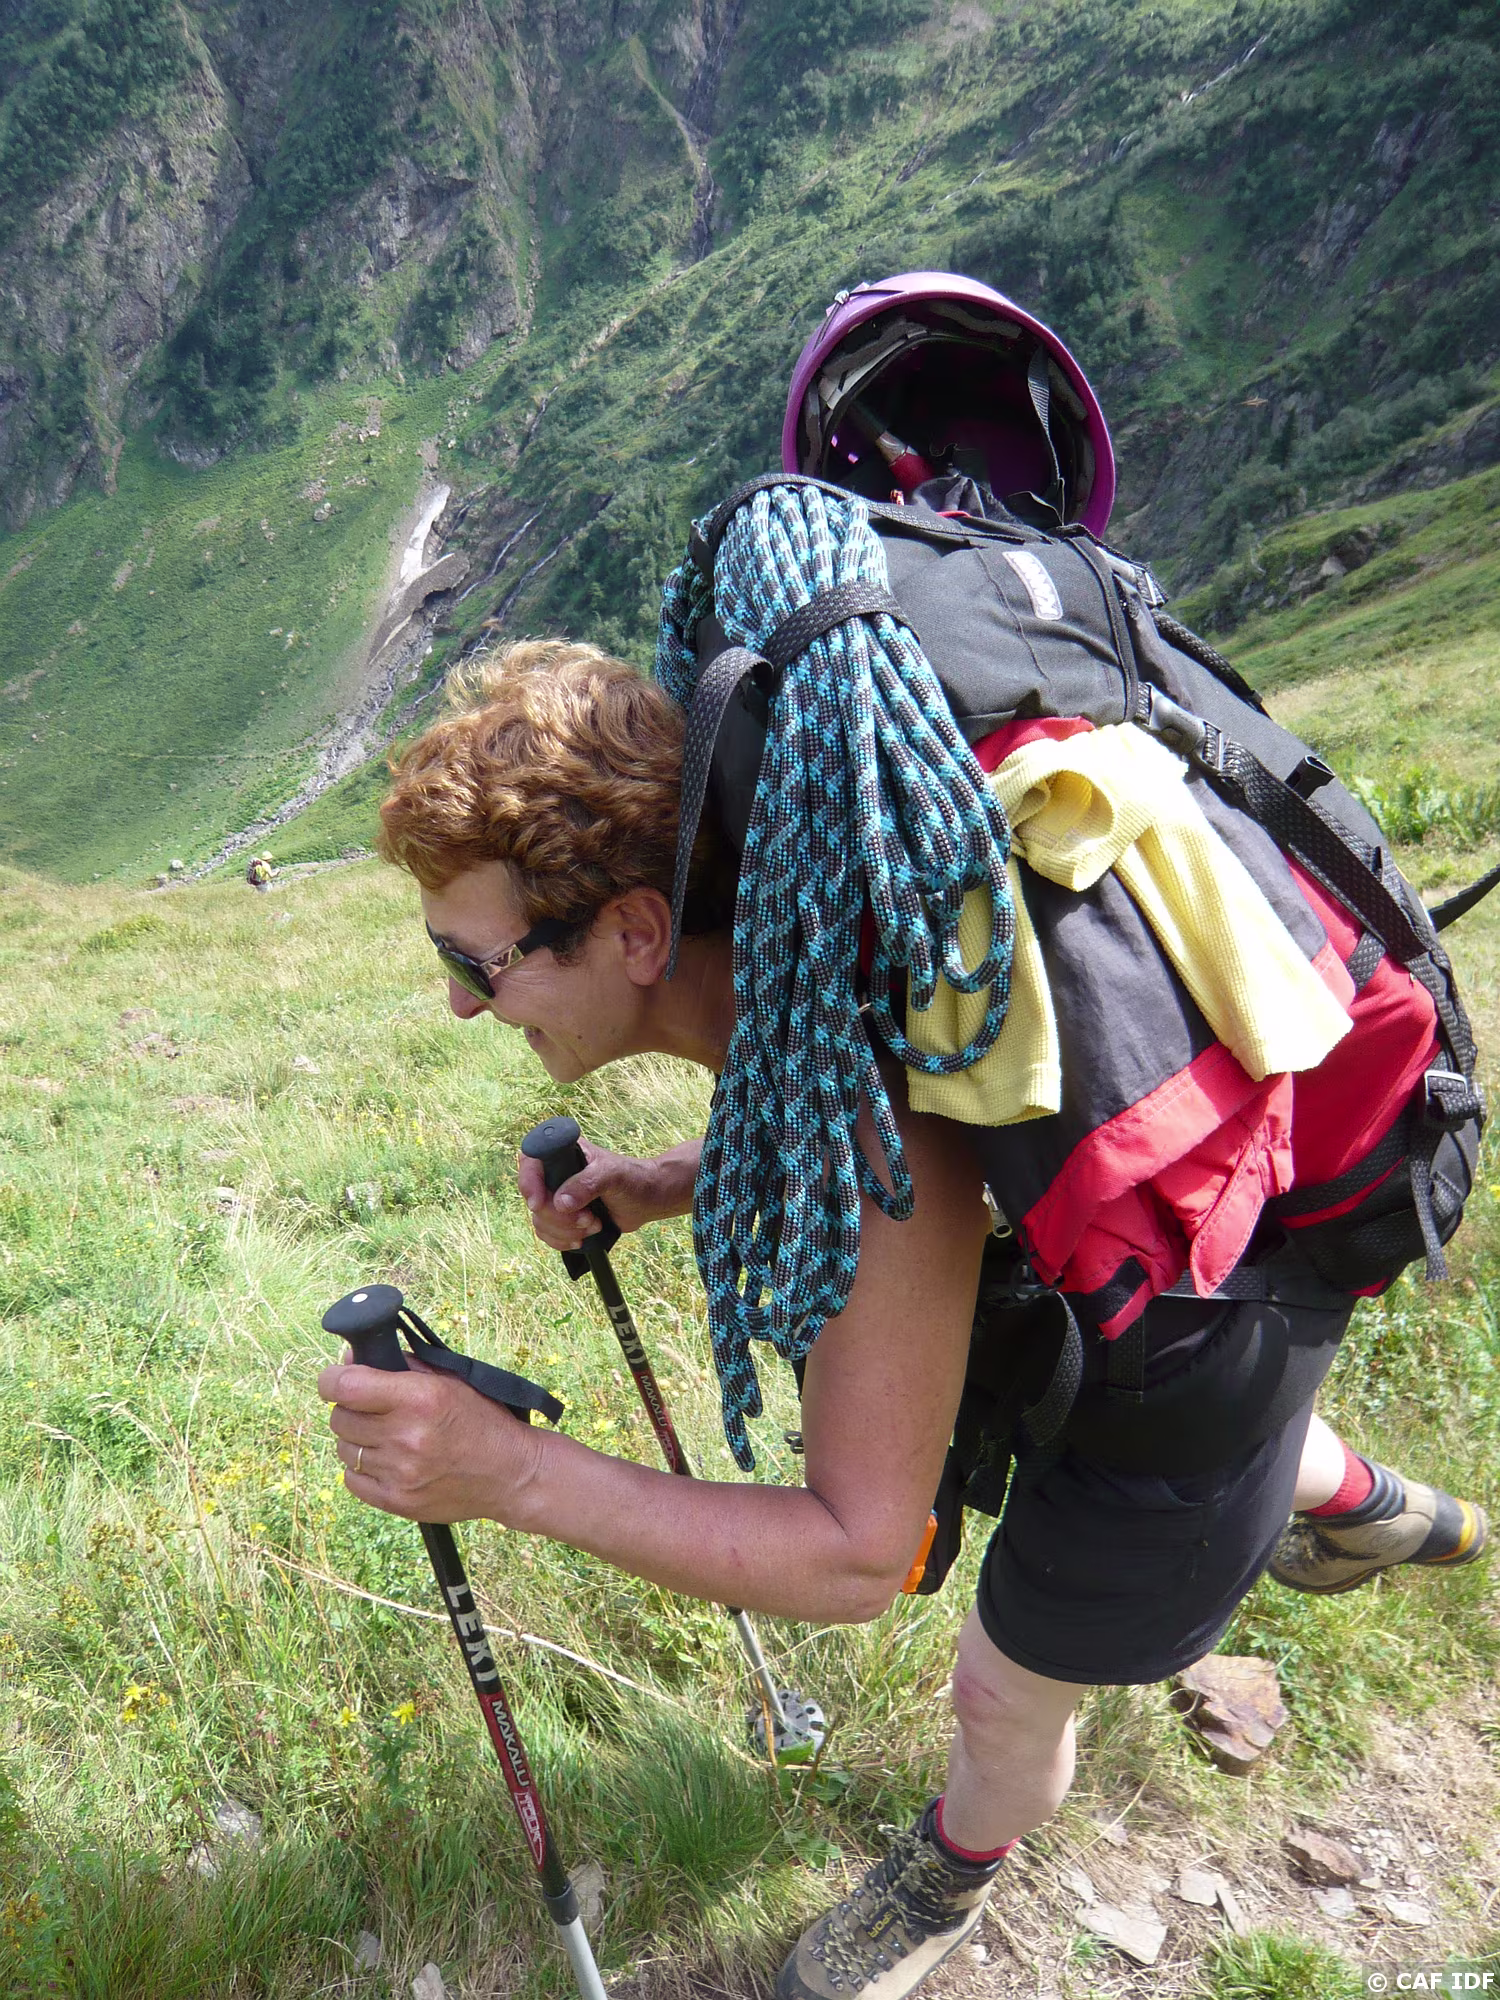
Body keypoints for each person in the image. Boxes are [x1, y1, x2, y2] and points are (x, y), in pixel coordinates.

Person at [319, 630, 1486, 1998]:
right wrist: (681, 1179)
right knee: (1163, 1403)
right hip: (1188, 1261)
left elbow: (853, 1556)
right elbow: (930, 1150)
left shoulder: (850, 1092)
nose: (461, 1006)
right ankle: (1376, 1507)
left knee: (1005, 1689)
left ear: (635, 932)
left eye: (477, 962)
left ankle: (957, 1864)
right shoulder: (807, 952)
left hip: (1200, 1348)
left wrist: (509, 1473)